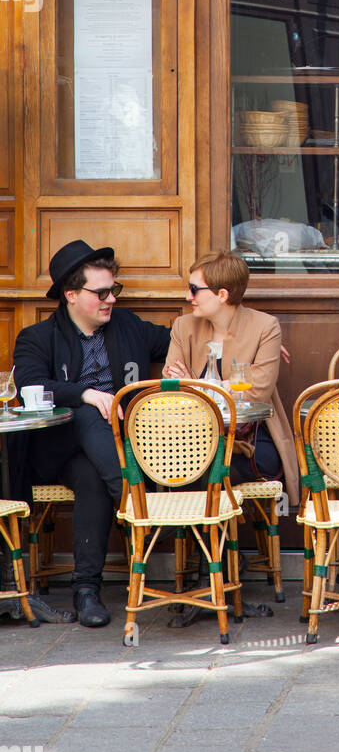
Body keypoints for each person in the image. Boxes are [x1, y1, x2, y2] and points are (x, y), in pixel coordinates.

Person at [13, 241, 171, 627]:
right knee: (85, 415)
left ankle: (86, 591)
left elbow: (177, 339)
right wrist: (85, 393)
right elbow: (30, 384)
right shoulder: (37, 337)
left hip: (105, 453)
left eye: (113, 290)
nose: (110, 300)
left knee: (92, 480)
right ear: (71, 295)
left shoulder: (129, 326)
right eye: (101, 293)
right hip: (55, 448)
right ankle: (136, 503)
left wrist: (244, 344)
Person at [163, 251, 299, 502]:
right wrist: (227, 386)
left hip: (250, 444)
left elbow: (257, 392)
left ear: (222, 295)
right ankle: (203, 538)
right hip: (193, 439)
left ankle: (198, 536)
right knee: (190, 463)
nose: (187, 296)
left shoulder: (264, 327)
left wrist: (196, 384)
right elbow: (172, 385)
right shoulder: (184, 326)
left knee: (205, 469)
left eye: (194, 289)